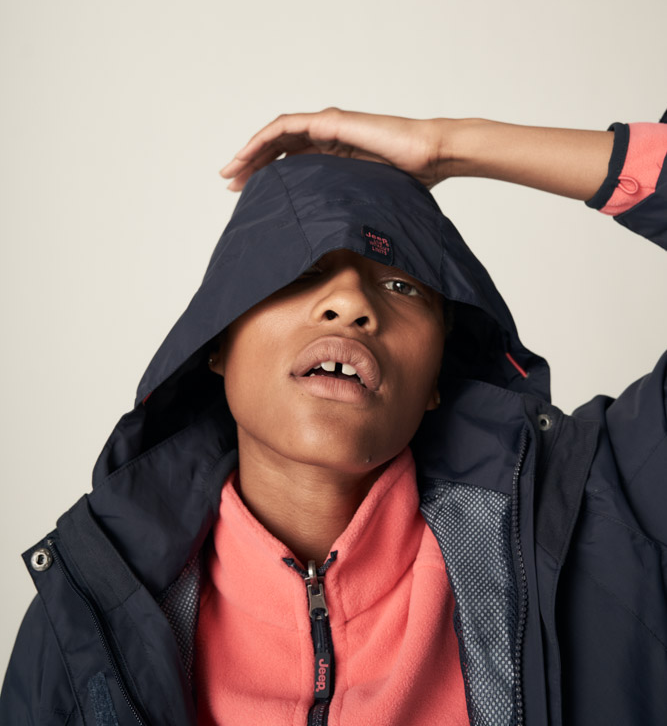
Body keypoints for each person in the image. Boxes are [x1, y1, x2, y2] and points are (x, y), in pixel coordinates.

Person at [2, 108, 666, 726]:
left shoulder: (594, 518)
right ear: (215, 346)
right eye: (298, 274)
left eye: (401, 284)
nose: (350, 303)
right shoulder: (89, 613)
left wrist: (446, 145)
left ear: (437, 378)